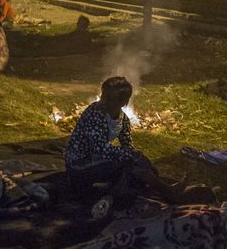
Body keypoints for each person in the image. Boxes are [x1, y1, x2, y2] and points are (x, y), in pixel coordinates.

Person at [65, 76, 178, 218]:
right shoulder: (94, 114)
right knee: (130, 165)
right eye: (104, 95)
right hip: (80, 164)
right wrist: (131, 156)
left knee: (134, 165)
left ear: (123, 102)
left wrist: (134, 156)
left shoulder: (122, 119)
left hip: (99, 160)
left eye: (109, 98)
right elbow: (100, 149)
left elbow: (127, 144)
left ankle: (109, 199)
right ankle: (164, 188)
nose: (103, 100)